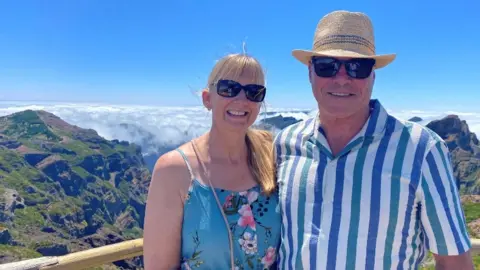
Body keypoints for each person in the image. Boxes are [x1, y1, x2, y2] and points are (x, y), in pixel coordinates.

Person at [274, 10, 474, 269]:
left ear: (373, 75)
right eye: (327, 66)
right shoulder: (284, 144)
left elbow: (454, 261)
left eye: (358, 67)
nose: (342, 78)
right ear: (310, 72)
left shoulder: (422, 149)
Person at [143, 53, 281, 270]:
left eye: (254, 92)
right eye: (229, 88)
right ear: (208, 99)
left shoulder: (271, 158)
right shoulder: (174, 170)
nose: (242, 99)